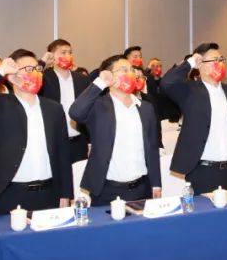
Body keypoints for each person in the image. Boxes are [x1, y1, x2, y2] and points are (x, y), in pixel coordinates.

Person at [0, 50, 73, 213]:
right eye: (28, 69)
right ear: (13, 77)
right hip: (10, 193)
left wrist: (66, 193)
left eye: (37, 68)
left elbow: (62, 152)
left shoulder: (53, 108)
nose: (35, 73)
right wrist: (0, 71)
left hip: (50, 192)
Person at [69, 55, 162, 206]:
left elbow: (152, 148)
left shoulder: (145, 108)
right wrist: (100, 83)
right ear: (110, 75)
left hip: (142, 188)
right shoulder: (98, 106)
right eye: (123, 70)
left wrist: (156, 183)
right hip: (106, 189)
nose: (130, 73)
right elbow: (75, 112)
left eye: (131, 70)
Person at [160, 43, 227, 194]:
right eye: (215, 60)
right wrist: (190, 62)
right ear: (200, 64)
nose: (220, 64)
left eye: (221, 59)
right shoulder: (189, 90)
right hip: (202, 171)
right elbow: (167, 82)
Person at [40, 38, 91, 163]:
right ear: (52, 56)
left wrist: (90, 141)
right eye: (63, 52)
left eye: (70, 52)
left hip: (79, 140)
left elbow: (90, 110)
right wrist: (42, 62)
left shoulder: (82, 79)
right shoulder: (44, 78)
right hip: (54, 140)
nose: (68, 56)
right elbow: (28, 78)